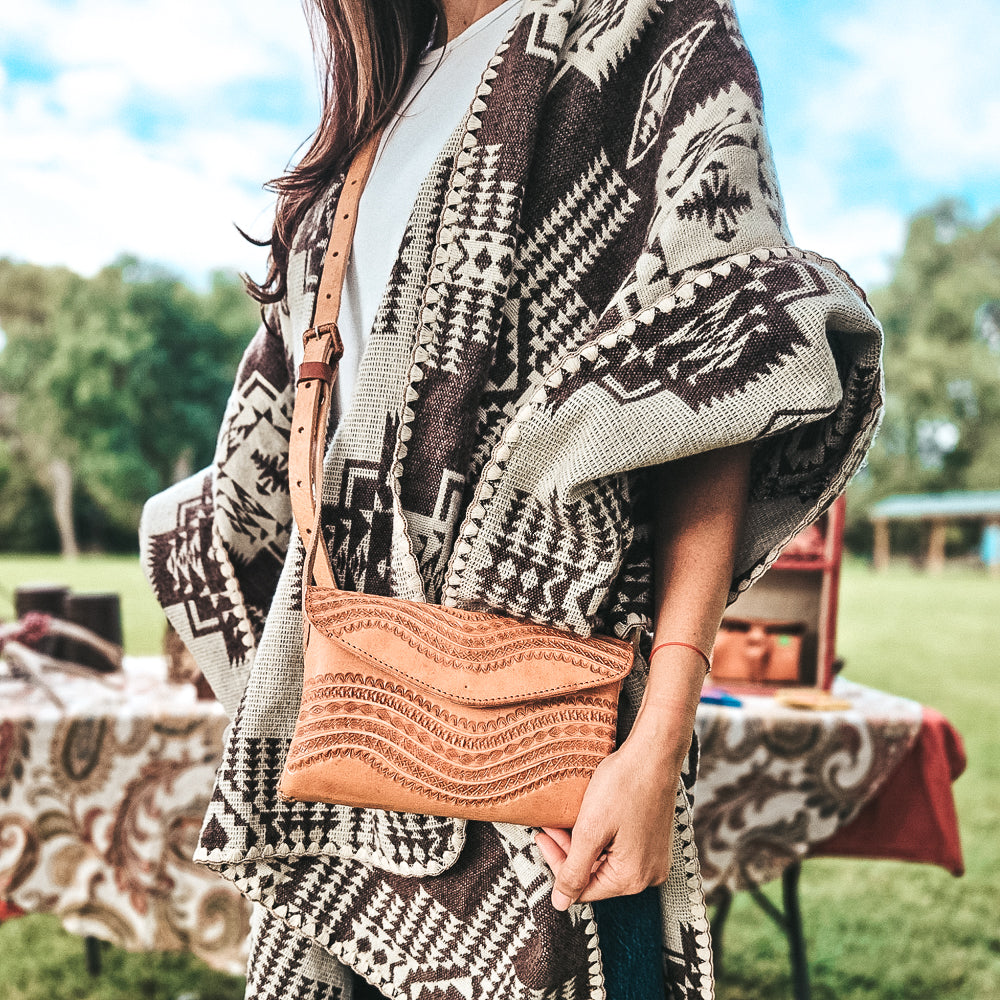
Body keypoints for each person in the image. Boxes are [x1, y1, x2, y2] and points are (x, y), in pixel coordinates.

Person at [140, 1, 884, 997]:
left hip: (553, 789)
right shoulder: (374, 120)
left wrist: (660, 737)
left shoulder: (651, 36)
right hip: (338, 771)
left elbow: (718, 384)